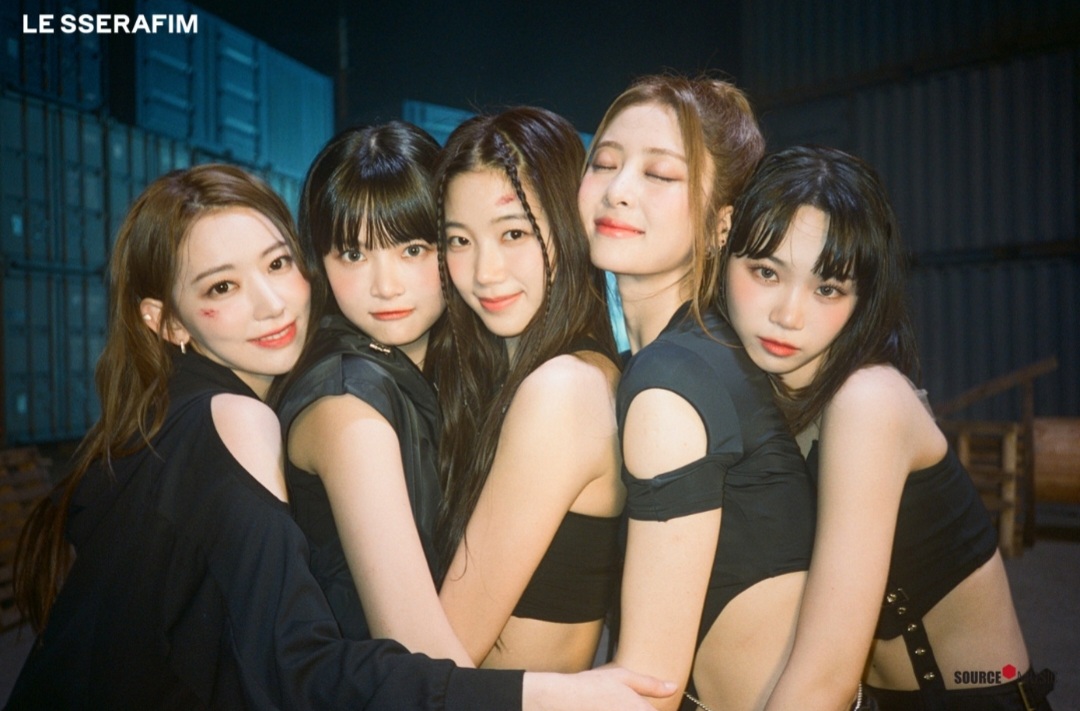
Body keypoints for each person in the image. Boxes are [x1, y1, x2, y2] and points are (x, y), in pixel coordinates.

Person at [8, 163, 677, 710]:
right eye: (223, 286)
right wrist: (553, 695)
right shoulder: (240, 417)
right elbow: (298, 669)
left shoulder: (164, 416)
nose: (271, 303)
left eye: (277, 264)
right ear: (167, 322)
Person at [722, 145, 1055, 711]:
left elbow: (826, 678)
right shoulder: (763, 387)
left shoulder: (869, 400)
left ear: (863, 299)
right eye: (766, 272)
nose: (788, 315)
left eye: (828, 288)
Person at [577, 74, 816, 711]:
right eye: (604, 163)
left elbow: (649, 687)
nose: (618, 190)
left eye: (659, 174)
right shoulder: (702, 351)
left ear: (721, 224)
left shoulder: (672, 382)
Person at [429, 106, 624, 672]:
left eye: (513, 233)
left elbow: (440, 660)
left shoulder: (563, 391)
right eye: (459, 240)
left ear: (568, 224)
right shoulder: (552, 376)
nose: (484, 271)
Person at [272, 122, 472, 664]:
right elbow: (416, 652)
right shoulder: (347, 408)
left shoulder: (440, 375)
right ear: (319, 261)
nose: (386, 286)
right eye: (353, 254)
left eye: (412, 249)